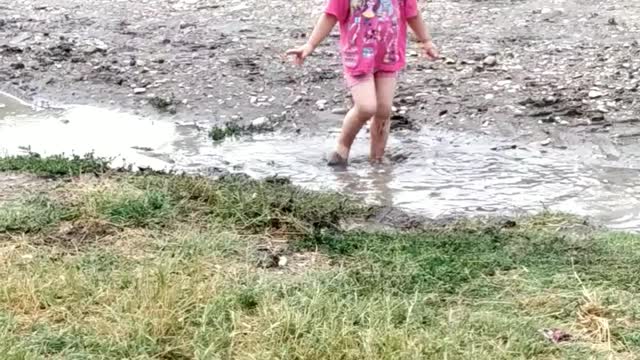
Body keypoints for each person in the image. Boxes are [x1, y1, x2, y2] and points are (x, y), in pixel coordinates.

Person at [286, 0, 438, 166]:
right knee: (366, 107)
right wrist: (310, 45)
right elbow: (330, 16)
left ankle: (377, 159)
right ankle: (342, 148)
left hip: (388, 55)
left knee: (383, 110)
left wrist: (426, 41)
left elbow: (413, 14)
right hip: (357, 58)